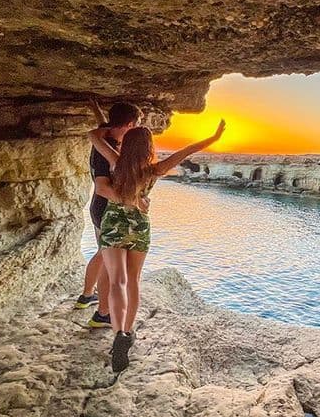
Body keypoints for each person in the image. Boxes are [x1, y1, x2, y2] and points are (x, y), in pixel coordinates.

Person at [88, 119, 226, 372]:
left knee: (117, 281)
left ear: (127, 144)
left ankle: (117, 331)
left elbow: (94, 137)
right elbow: (187, 151)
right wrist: (214, 138)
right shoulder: (155, 170)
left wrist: (107, 126)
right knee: (133, 281)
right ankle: (127, 332)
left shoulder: (115, 161)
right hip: (139, 226)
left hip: (113, 224)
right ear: (148, 147)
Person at [74, 101, 143, 328]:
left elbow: (103, 125)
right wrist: (134, 202)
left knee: (102, 255)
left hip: (101, 208)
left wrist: (96, 109)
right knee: (108, 263)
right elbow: (103, 187)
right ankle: (103, 314)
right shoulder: (108, 151)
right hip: (106, 210)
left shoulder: (105, 137)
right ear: (130, 125)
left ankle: (86, 296)